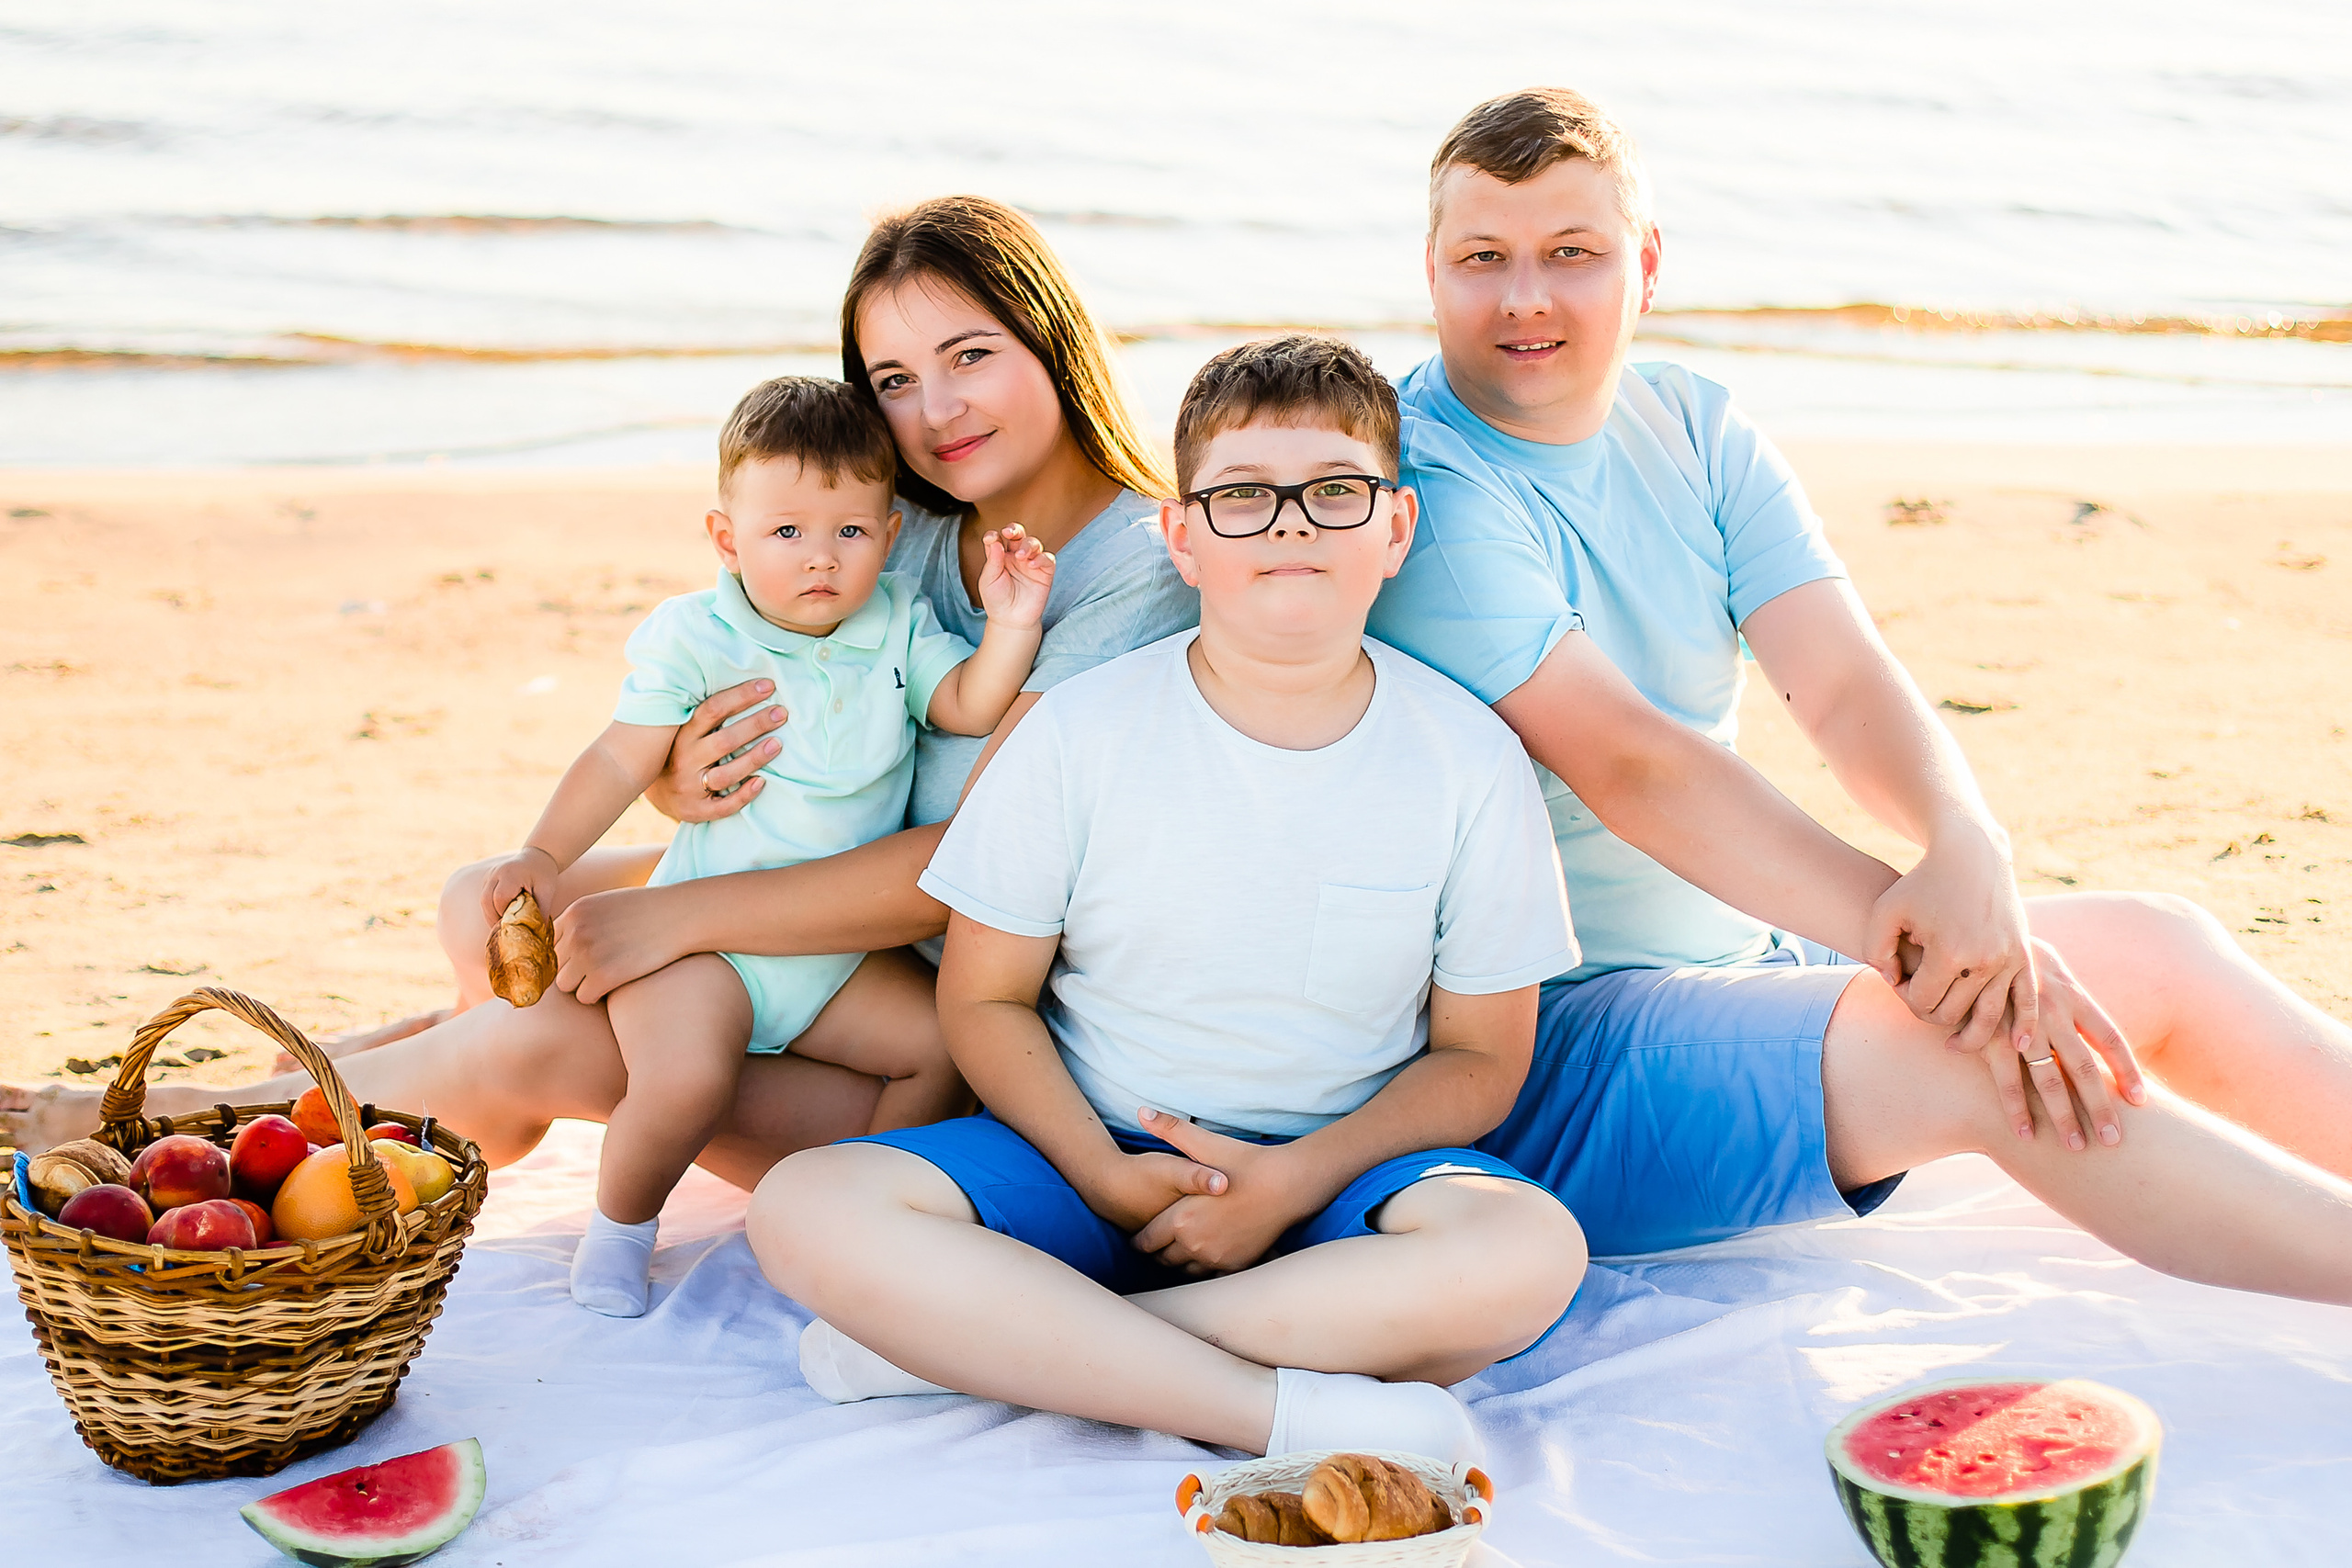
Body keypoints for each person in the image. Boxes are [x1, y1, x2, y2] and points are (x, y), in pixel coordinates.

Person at [1353, 87, 2352, 1295]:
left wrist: (1963, 840)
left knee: (2164, 948)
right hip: (1552, 1045)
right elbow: (1633, 767)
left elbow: (1838, 681)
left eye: (1573, 254)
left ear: (1647, 266)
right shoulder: (1426, 488)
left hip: (1743, 959)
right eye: (1483, 258)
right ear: (1431, 269)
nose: (1525, 297)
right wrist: (1935, 946)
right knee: (1990, 1053)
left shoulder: (1693, 424)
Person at [2, 197, 1199, 1202]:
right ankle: (439, 1080)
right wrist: (684, 771)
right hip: (809, 916)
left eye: (971, 353)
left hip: (937, 1032)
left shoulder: (1134, 573)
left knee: (538, 1024)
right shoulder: (904, 528)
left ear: (1049, 336)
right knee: (490, 902)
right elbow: (743, 688)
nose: (938, 412)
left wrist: (679, 919)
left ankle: (192, 1111)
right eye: (894, 377)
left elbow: (973, 863)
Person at [751, 335, 1584, 1459]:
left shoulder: (1467, 758)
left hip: (1340, 1186)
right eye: (1241, 497)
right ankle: (1265, 1408)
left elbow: (1483, 1059)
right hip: (1077, 1158)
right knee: (806, 1208)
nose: (1289, 523)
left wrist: (1290, 1181)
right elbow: (986, 999)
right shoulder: (1080, 730)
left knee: (1528, 1253)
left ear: (1395, 528)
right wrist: (1102, 1172)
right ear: (1181, 538)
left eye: (1334, 493)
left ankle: (978, 1349)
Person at [483, 375, 1054, 1314]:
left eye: (850, 533)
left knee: (941, 1045)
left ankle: (854, 1208)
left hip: (831, 957)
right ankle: (620, 1233)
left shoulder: (898, 629)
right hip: (700, 947)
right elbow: (621, 757)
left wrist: (1014, 622)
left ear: (889, 535)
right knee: (685, 1079)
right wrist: (543, 856)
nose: (819, 558)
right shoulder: (699, 637)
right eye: (786, 532)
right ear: (727, 538)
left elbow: (968, 705)